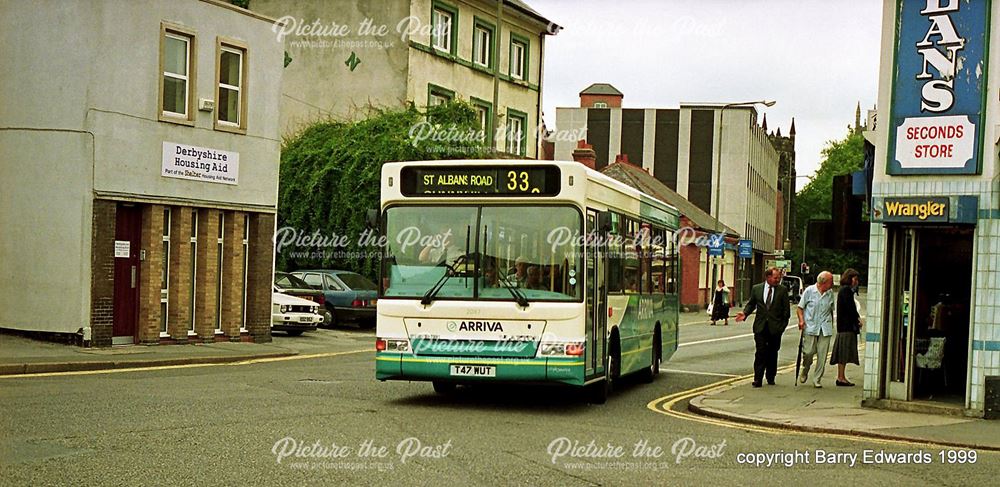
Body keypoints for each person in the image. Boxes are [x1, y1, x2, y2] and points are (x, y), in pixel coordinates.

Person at [736, 267, 791, 387]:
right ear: (768, 277)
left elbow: (786, 313)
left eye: (779, 278)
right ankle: (758, 379)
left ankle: (771, 376)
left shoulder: (782, 290)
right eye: (776, 278)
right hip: (760, 327)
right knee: (760, 352)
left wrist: (781, 328)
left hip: (775, 328)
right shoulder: (757, 288)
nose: (778, 280)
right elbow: (752, 304)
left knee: (772, 352)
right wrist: (745, 313)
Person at [796, 271, 835, 388]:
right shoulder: (809, 291)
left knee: (822, 355)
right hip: (811, 326)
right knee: (808, 352)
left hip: (825, 328)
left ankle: (817, 379)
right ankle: (806, 368)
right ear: (824, 282)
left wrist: (832, 325)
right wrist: (801, 320)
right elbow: (799, 308)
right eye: (831, 281)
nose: (833, 283)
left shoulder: (830, 293)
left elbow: (831, 310)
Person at [830, 269, 862, 386]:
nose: (856, 281)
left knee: (843, 353)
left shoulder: (845, 291)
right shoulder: (846, 291)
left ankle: (841, 376)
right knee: (843, 353)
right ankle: (841, 377)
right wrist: (857, 320)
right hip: (846, 327)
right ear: (850, 278)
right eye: (855, 278)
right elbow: (850, 309)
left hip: (844, 326)